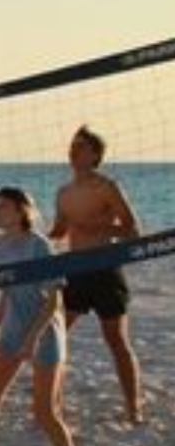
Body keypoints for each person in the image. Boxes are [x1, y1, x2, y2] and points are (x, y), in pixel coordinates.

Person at [0, 187, 81, 446]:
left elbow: (54, 300)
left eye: (2, 207)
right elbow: (7, 293)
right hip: (12, 332)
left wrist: (32, 339)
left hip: (45, 333)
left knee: (45, 413)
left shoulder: (39, 245)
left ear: (22, 210)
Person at [50, 125, 146, 424]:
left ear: (95, 155)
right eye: (72, 146)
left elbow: (133, 230)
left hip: (105, 270)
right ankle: (53, 405)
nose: (73, 151)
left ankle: (133, 408)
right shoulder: (63, 193)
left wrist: (101, 227)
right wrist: (24, 226)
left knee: (116, 340)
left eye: (80, 146)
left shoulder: (107, 187)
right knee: (55, 337)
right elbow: (59, 231)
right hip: (75, 271)